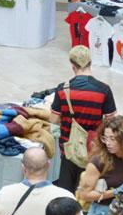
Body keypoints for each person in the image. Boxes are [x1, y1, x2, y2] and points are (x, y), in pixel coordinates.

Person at [50, 45, 117, 193]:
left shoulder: (62, 90)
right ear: (90, 63)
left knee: (66, 191)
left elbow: (54, 120)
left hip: (68, 149)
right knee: (86, 192)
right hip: (92, 149)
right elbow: (111, 122)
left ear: (73, 66)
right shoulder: (103, 90)